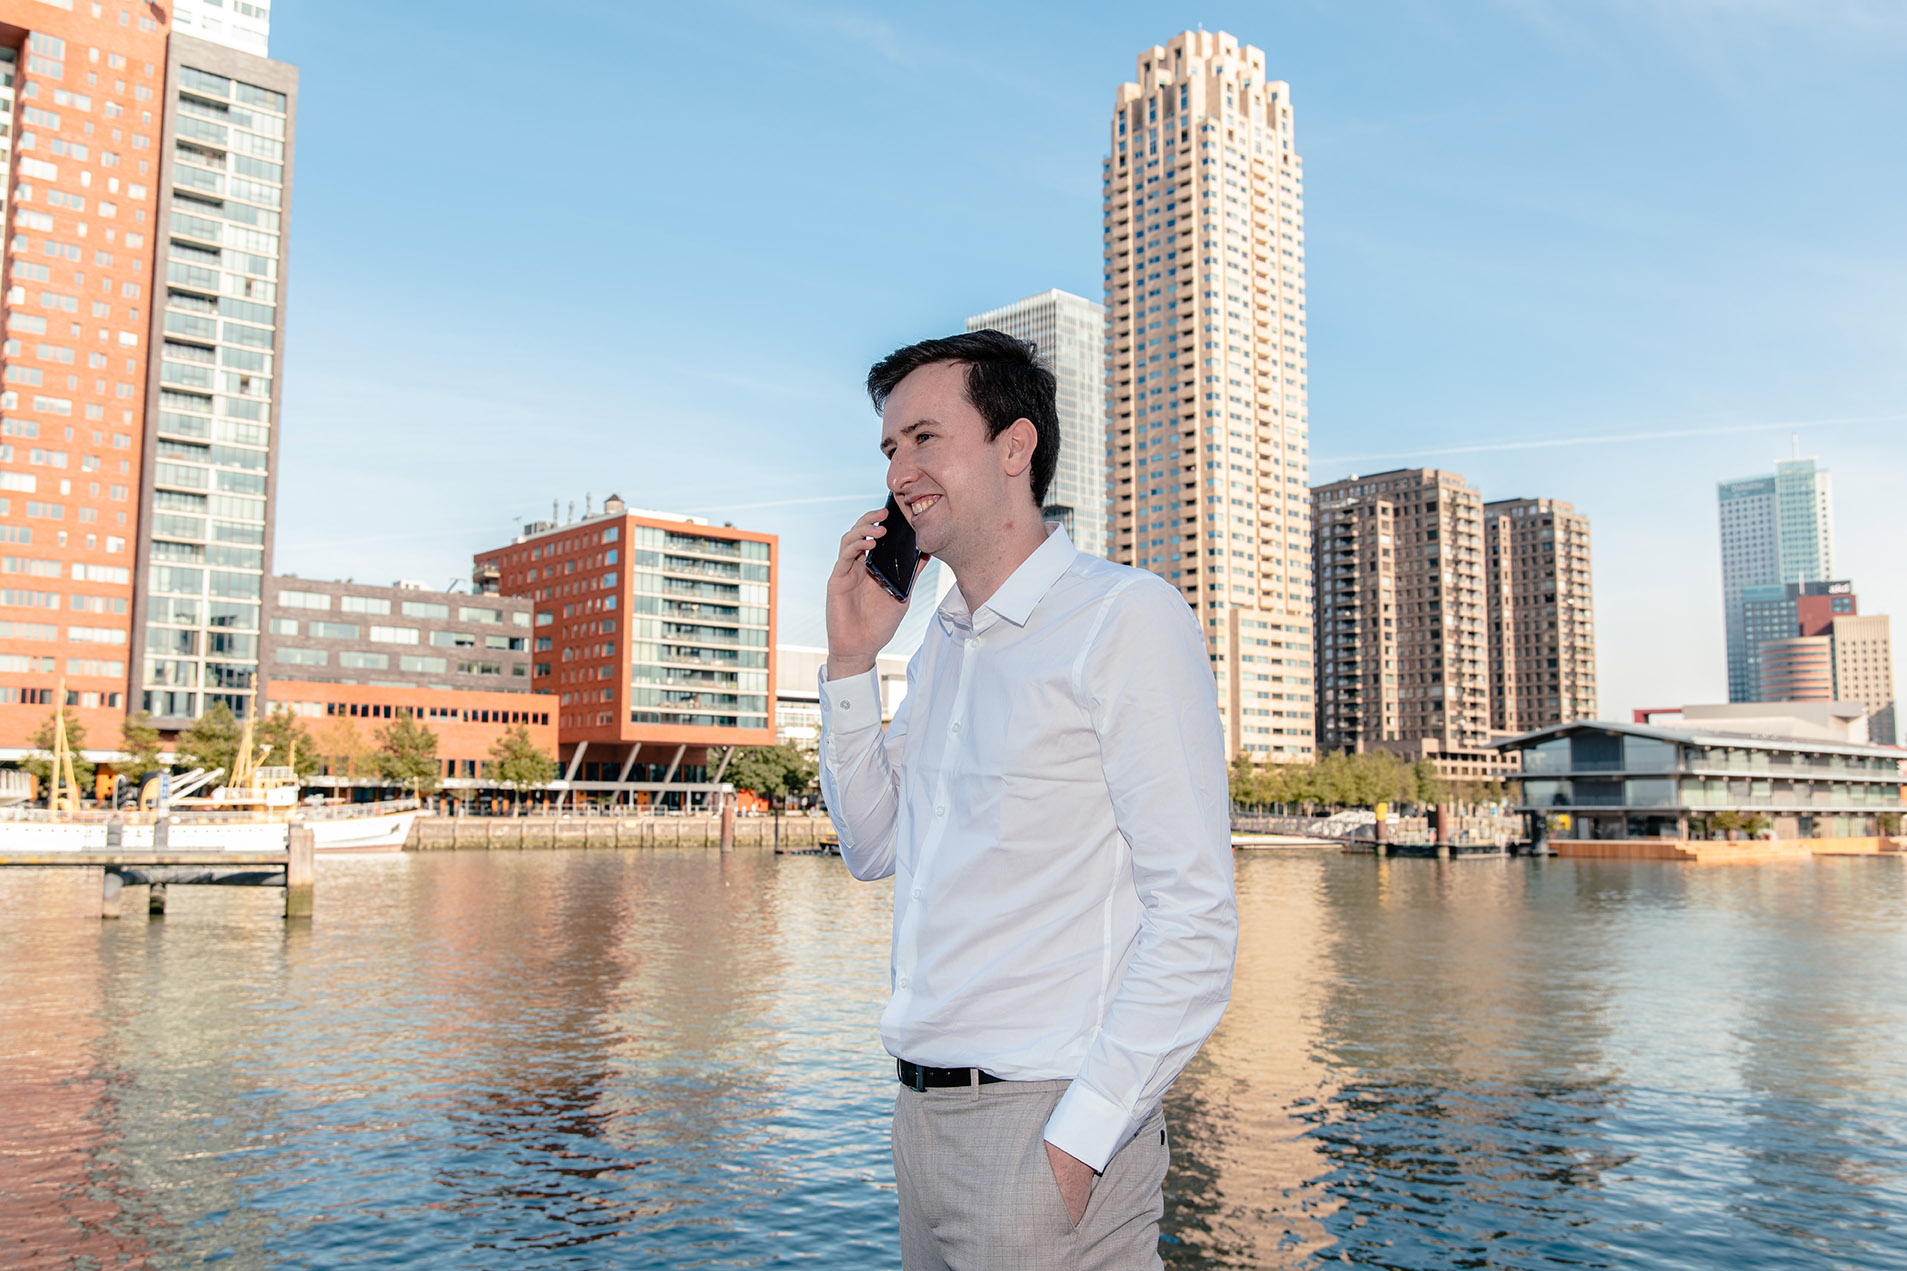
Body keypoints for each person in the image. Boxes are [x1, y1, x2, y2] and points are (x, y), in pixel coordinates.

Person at [818, 330, 1236, 1269]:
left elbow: (1196, 915)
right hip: (919, 1125)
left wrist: (1080, 1139)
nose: (899, 473)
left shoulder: (1123, 618)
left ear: (1015, 447)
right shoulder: (942, 645)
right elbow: (871, 846)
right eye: (889, 449)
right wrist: (850, 661)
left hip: (1045, 1126)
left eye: (924, 439)